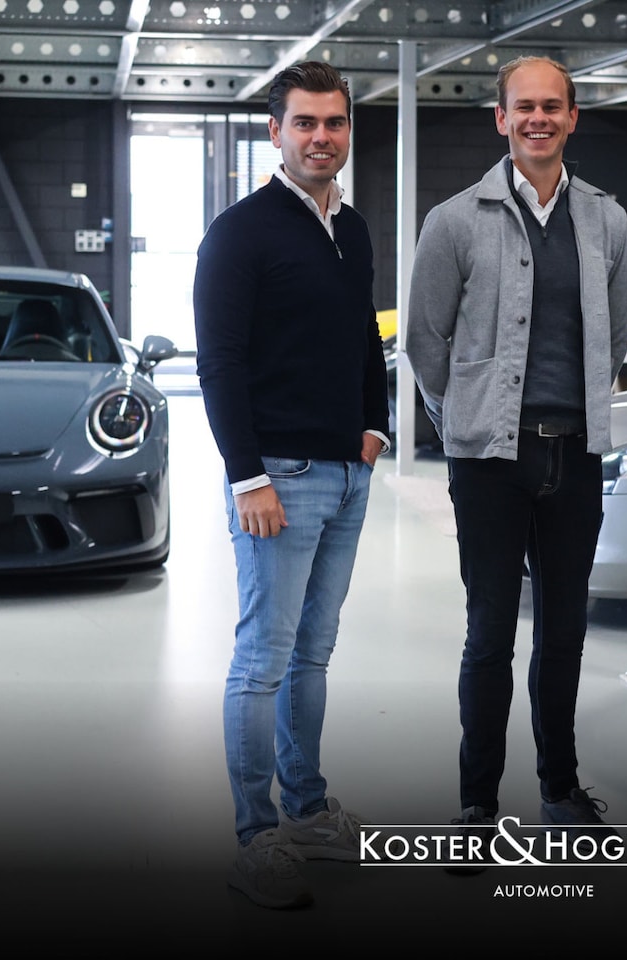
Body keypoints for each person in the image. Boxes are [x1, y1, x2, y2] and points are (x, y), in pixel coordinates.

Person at [405, 56, 627, 844]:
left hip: (576, 454)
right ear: (501, 118)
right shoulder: (454, 221)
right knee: (490, 635)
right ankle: (477, 802)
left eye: (552, 107)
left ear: (572, 118)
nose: (539, 119)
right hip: (489, 464)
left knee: (564, 633)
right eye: (523, 107)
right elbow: (426, 341)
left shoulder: (606, 220)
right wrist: (465, 423)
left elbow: (615, 335)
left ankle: (560, 787)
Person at [193, 60, 389, 909]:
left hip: (346, 473)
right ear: (275, 132)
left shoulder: (352, 228)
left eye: (334, 122)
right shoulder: (240, 232)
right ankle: (257, 836)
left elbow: (363, 336)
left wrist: (374, 427)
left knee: (314, 651)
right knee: (263, 658)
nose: (321, 137)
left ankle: (306, 810)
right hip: (279, 476)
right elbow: (219, 363)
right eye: (304, 122)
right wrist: (248, 477)